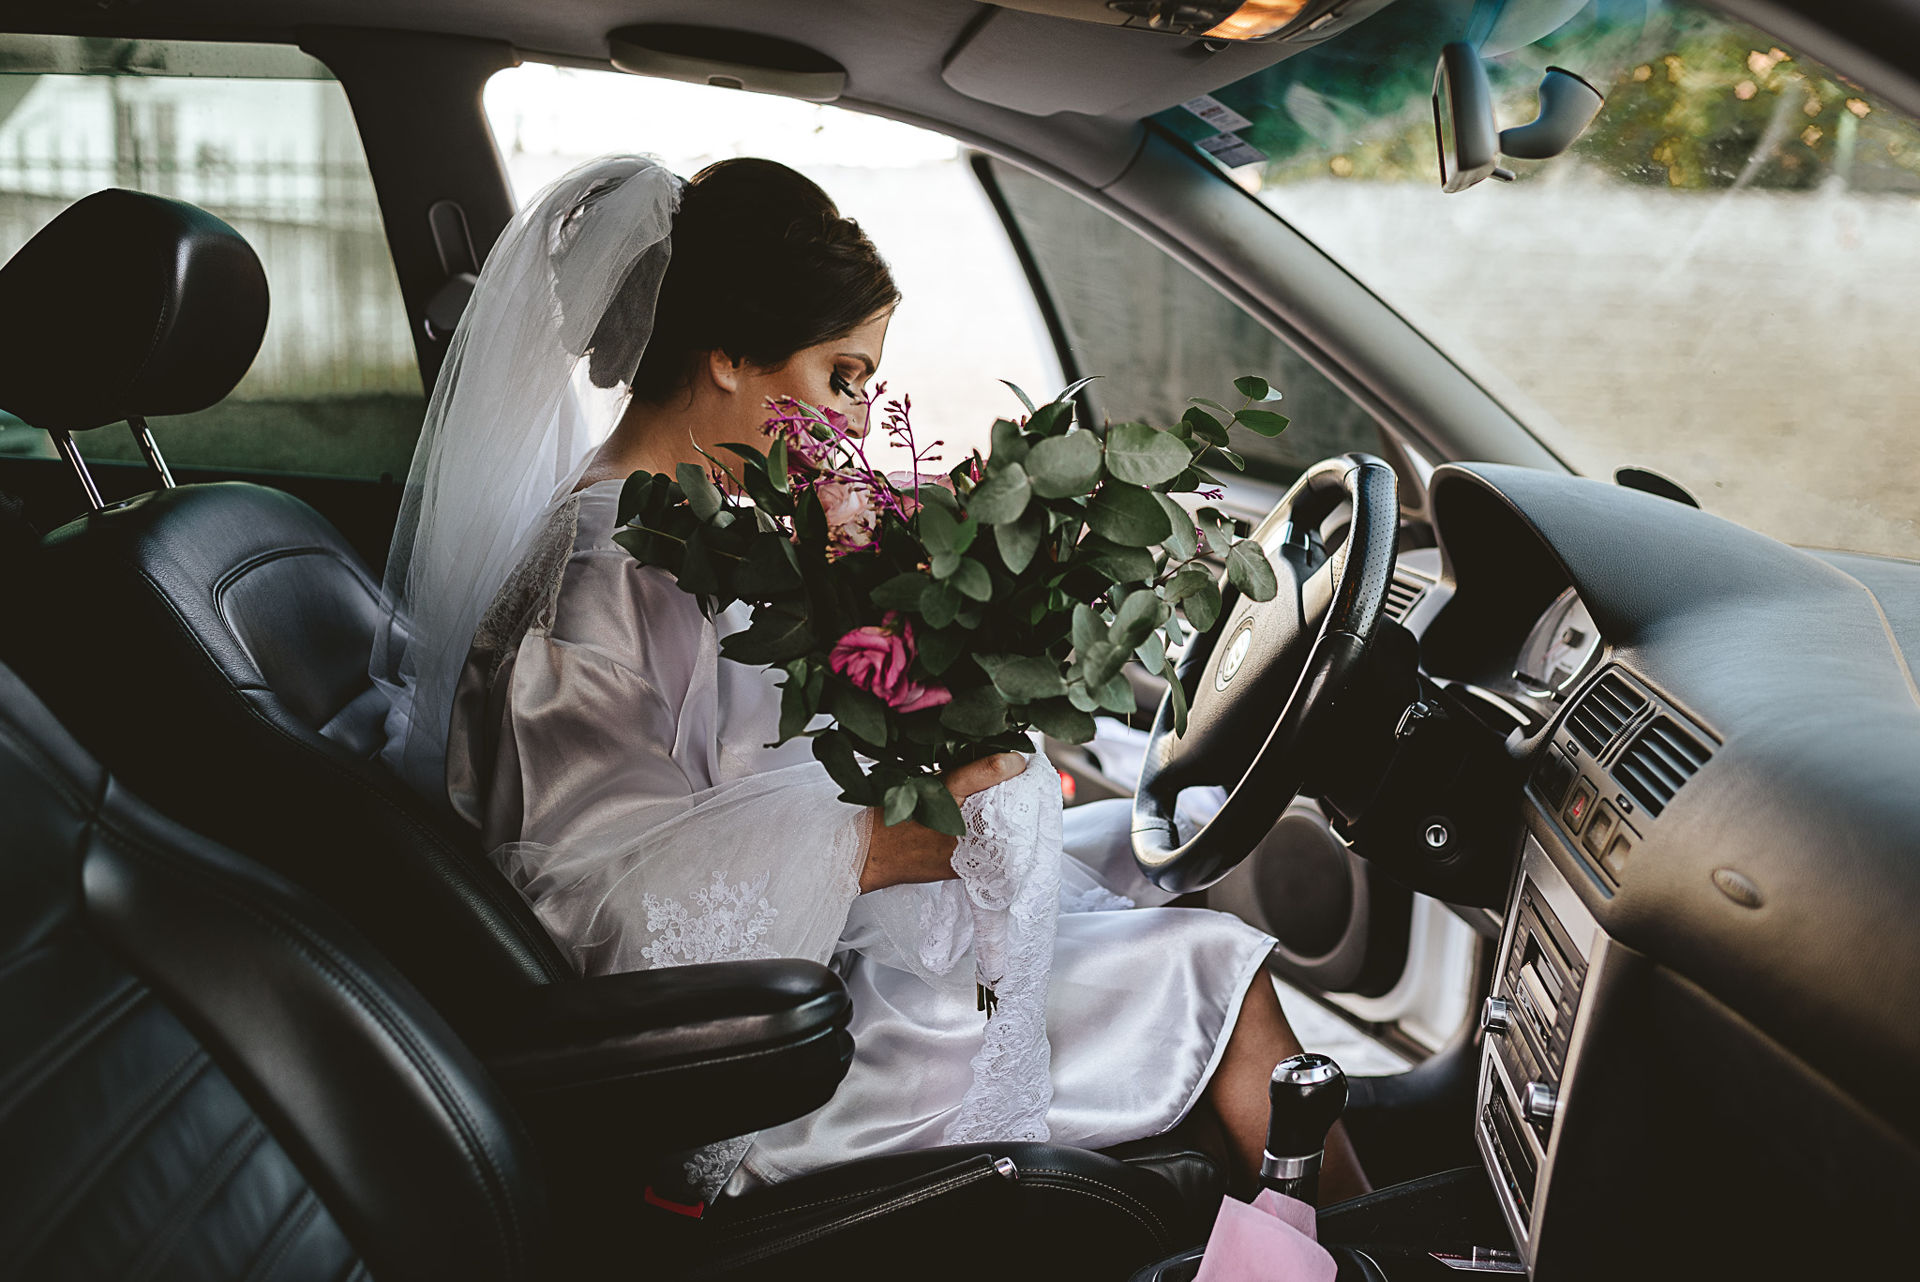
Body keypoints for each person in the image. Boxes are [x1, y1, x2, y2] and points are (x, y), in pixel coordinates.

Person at [372, 154, 1366, 1203]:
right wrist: (877, 844)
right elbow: (589, 904)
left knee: (1136, 851)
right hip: (754, 1065)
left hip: (814, 960)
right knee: (1222, 970)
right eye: (842, 377)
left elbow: (749, 759)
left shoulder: (693, 529)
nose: (855, 420)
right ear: (729, 357)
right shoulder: (597, 581)